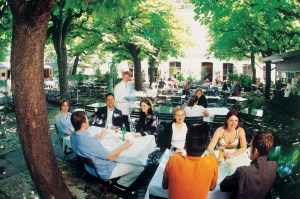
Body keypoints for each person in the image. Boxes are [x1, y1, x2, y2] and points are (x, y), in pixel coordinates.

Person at [70, 111, 144, 195]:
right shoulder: (89, 141)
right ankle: (120, 185)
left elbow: (88, 148)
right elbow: (110, 156)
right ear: (83, 124)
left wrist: (100, 138)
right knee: (140, 167)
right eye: (87, 120)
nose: (88, 121)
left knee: (120, 156)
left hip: (89, 168)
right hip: (104, 171)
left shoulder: (73, 136)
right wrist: (123, 147)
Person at [162, 124, 218, 199]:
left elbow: (164, 186)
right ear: (205, 147)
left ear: (185, 145)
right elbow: (212, 188)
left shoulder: (174, 159)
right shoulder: (211, 161)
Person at [220, 131, 277, 199]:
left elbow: (223, 186)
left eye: (251, 146)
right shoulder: (274, 166)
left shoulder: (243, 171)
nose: (249, 149)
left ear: (255, 151)